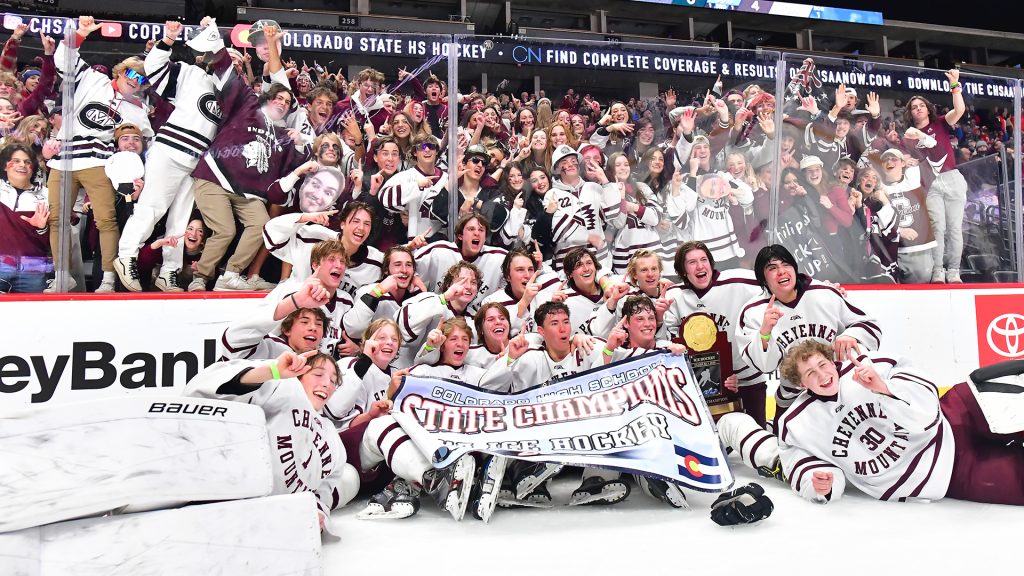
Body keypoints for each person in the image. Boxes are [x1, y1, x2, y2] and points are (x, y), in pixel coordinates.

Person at [777, 339, 1024, 506]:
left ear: (832, 362)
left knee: (1008, 389)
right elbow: (801, 466)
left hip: (954, 417)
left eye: (822, 365)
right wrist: (819, 483)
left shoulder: (870, 364)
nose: (822, 375)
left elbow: (927, 410)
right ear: (801, 385)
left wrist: (884, 388)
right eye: (810, 374)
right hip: (945, 474)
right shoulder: (797, 424)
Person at [183, 349, 360, 529]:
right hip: (227, 504)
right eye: (318, 374)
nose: (326, 384)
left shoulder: (332, 438)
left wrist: (318, 513)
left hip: (278, 521)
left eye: (332, 381)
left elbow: (324, 489)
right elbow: (200, 388)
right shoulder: (285, 387)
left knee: (350, 477)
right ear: (300, 375)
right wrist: (271, 372)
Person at [187, 24, 305, 292]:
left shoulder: (282, 133)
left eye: (288, 102)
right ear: (266, 98)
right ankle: (200, 278)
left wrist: (300, 146)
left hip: (247, 192)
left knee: (261, 225)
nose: (283, 103)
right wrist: (214, 38)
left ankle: (230, 275)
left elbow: (292, 169)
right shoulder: (247, 103)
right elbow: (228, 69)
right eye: (278, 98)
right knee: (226, 231)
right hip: (214, 177)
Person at [47, 16, 154, 293]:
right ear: (120, 72)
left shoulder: (138, 111)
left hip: (98, 162)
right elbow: (64, 61)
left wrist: (137, 173)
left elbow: (148, 144)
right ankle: (62, 275)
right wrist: (80, 35)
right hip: (65, 158)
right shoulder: (93, 79)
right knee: (57, 219)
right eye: (132, 74)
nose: (137, 81)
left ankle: (107, 278)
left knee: (105, 220)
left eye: (142, 79)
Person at [736, 244, 882, 426]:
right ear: (763, 279)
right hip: (792, 398)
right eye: (772, 268)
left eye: (786, 264)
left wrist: (851, 335)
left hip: (837, 388)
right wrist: (765, 333)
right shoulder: (754, 311)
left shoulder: (824, 293)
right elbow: (765, 366)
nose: (781, 271)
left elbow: (869, 324)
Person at [902, 70, 968, 284]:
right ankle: (938, 270)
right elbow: (913, 162)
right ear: (910, 113)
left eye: (921, 105)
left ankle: (954, 271)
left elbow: (960, 109)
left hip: (952, 177)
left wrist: (955, 85)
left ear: (927, 109)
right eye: (914, 107)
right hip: (929, 184)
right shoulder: (908, 137)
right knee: (938, 228)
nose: (918, 108)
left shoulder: (940, 122)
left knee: (954, 228)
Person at [414, 213, 507, 313]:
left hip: (476, 321)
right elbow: (403, 262)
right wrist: (414, 274)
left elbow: (521, 269)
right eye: (471, 229)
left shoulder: (499, 258)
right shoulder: (439, 251)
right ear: (460, 236)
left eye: (481, 230)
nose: (477, 233)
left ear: (485, 237)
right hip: (437, 313)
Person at [0, 142, 49, 293]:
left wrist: (42, 228)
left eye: (27, 162)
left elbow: (58, 241)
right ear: (4, 166)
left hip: (33, 269)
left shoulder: (47, 196)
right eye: (16, 161)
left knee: (31, 316)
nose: (22, 165)